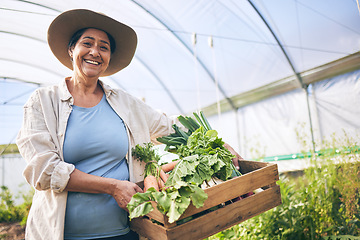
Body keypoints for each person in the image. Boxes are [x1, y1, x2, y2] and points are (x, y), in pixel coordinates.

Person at [16, 9, 243, 240]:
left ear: (109, 58)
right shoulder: (43, 102)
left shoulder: (124, 103)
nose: (95, 52)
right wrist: (112, 187)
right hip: (62, 234)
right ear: (71, 49)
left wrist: (218, 144)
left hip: (124, 232)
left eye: (104, 47)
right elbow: (44, 171)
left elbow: (171, 126)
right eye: (87, 43)